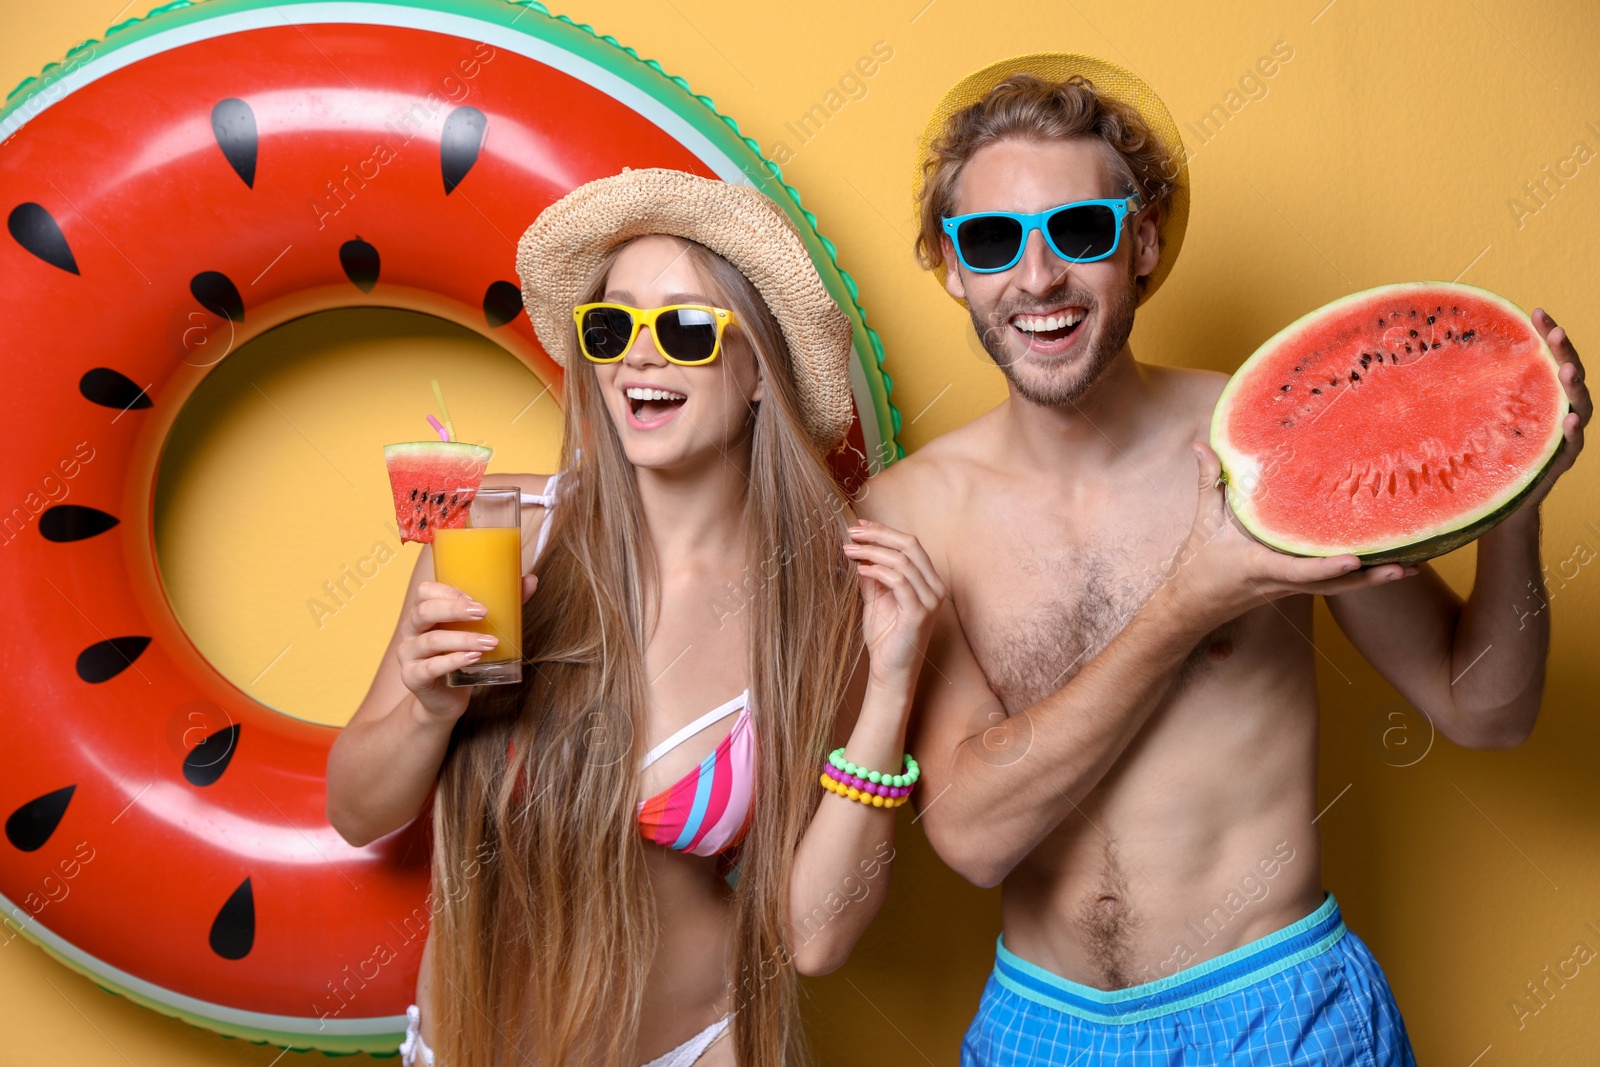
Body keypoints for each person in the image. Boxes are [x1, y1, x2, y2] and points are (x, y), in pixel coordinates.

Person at [859, 55, 1590, 1065]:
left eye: (1080, 231)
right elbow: (977, 835)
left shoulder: (1272, 443)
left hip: (1278, 1008)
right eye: (991, 240)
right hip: (1041, 1023)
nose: (1036, 278)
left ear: (1143, 241)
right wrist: (1193, 597)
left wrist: (1517, 498)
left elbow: (1485, 710)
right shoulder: (910, 510)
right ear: (950, 265)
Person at [327, 168, 946, 1067]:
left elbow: (816, 939)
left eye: (687, 328)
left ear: (761, 373)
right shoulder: (505, 534)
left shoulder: (822, 600)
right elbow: (357, 811)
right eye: (612, 326)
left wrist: (890, 691)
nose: (639, 357)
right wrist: (427, 705)